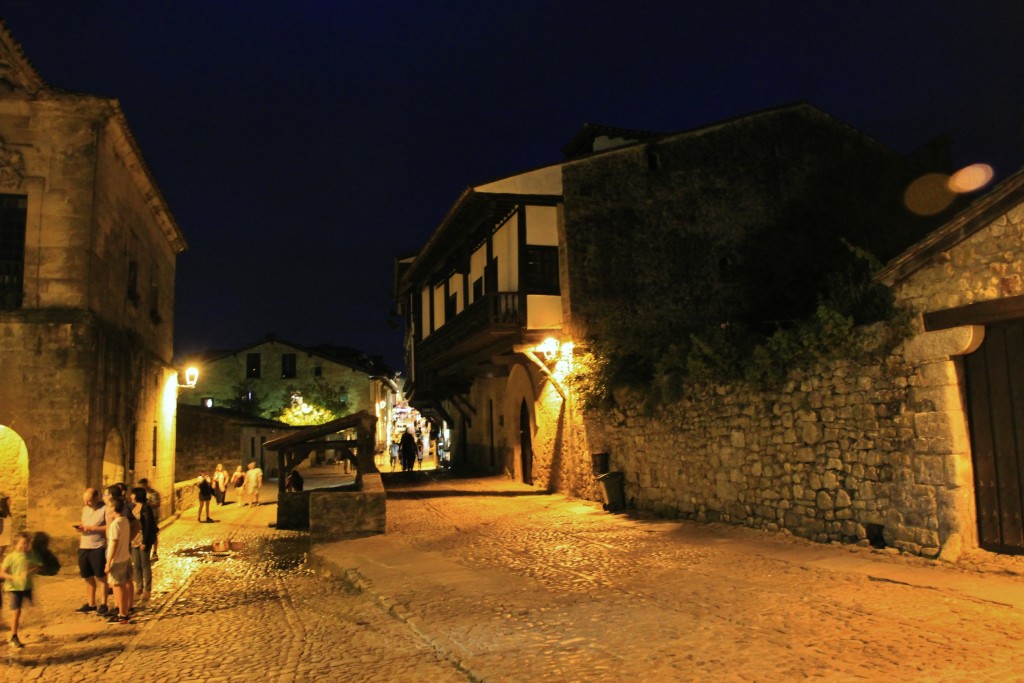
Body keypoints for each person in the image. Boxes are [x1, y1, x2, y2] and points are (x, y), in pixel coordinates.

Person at [0, 532, 40, 648]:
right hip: (14, 588)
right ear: (15, 544)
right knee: (16, 612)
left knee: (33, 609)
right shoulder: (10, 557)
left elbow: (37, 567)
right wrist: (13, 577)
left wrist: (31, 571)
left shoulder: (30, 555)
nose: (25, 546)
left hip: (27, 587)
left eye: (27, 544)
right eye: (22, 543)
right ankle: (14, 636)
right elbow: (2, 572)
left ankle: (27, 628)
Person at [75, 488, 109, 616]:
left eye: (89, 501)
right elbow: (84, 523)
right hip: (84, 545)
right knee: (87, 575)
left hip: (98, 547)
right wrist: (81, 527)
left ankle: (104, 603)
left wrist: (92, 528)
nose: (86, 503)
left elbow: (108, 526)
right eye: (84, 500)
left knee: (100, 576)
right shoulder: (85, 509)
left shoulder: (105, 509)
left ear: (96, 498)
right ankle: (91, 603)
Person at [104, 497, 132, 624]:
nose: (107, 508)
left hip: (117, 559)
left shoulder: (115, 524)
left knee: (117, 586)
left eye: (109, 506)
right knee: (123, 585)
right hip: (125, 557)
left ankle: (122, 614)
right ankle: (124, 612)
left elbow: (113, 543)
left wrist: (108, 562)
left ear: (114, 508)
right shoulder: (124, 520)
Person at [130, 487, 157, 601]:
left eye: (132, 494)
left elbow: (148, 526)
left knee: (145, 565)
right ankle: (139, 586)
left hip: (142, 539)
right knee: (136, 565)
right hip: (134, 539)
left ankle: (147, 589)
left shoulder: (146, 508)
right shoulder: (133, 507)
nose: (131, 496)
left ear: (137, 495)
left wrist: (145, 542)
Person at [138, 478, 161, 561]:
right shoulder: (140, 494)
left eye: (142, 486)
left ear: (146, 484)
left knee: (153, 534)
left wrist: (146, 504)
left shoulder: (153, 493)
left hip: (153, 516)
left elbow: (157, 504)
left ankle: (154, 552)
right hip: (142, 516)